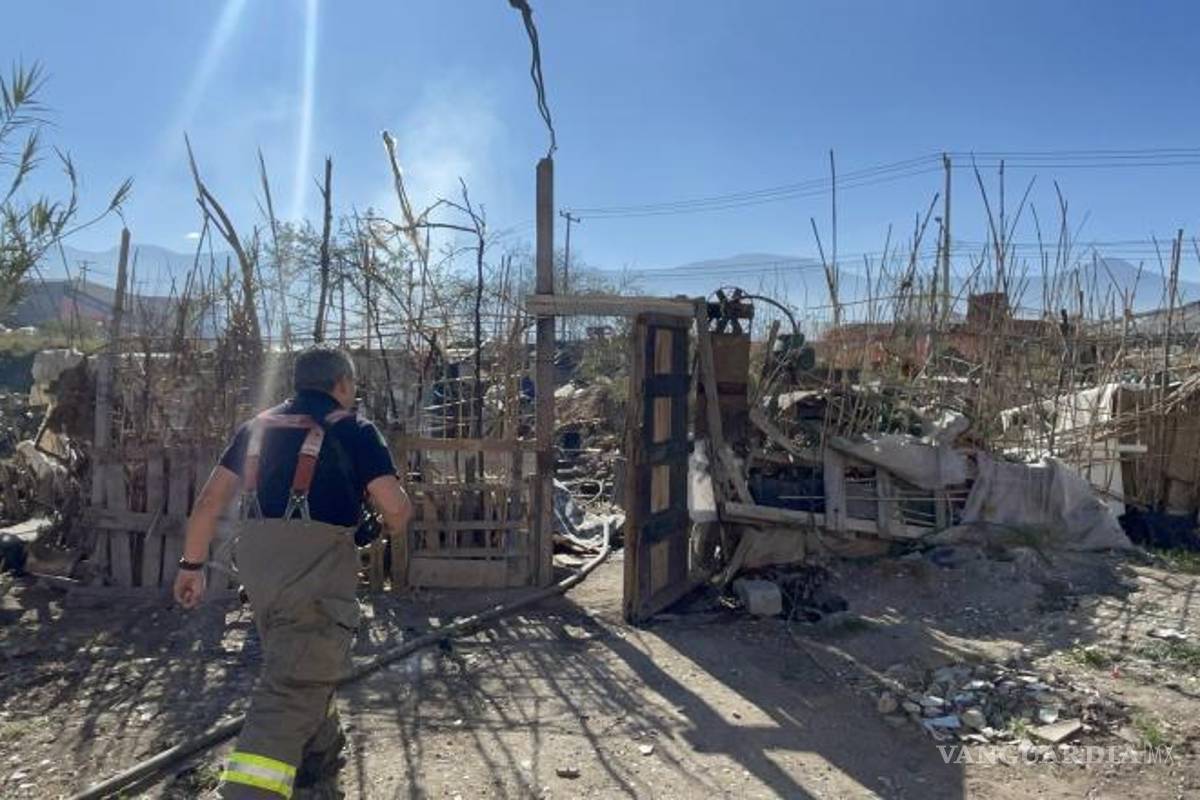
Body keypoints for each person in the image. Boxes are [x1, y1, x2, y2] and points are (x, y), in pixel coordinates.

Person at [174, 345, 412, 799]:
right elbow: (396, 507)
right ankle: (247, 793)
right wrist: (385, 527)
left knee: (300, 658)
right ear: (341, 384)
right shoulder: (355, 429)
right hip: (314, 573)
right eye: (353, 385)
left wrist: (191, 566)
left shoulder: (256, 427)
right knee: (292, 683)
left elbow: (208, 503)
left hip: (260, 573)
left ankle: (318, 761)